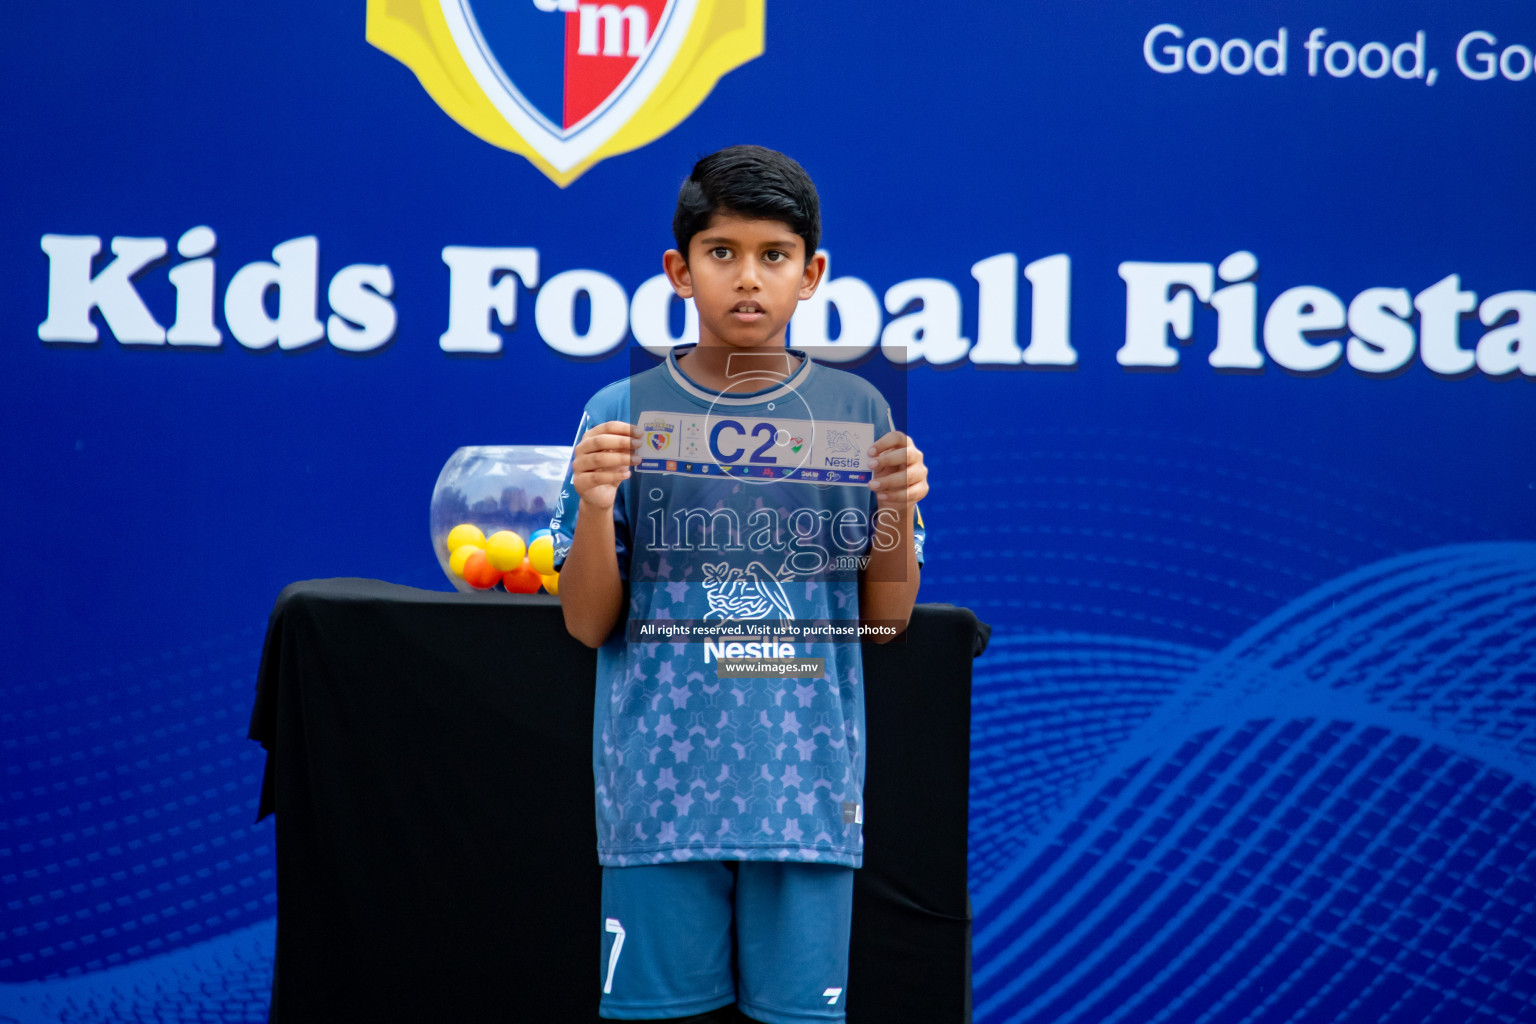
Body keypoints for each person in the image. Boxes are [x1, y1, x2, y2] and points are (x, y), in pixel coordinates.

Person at [550, 145, 928, 1024]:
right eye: (722, 253)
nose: (748, 279)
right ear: (680, 271)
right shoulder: (620, 411)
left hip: (807, 792)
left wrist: (896, 512)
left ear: (813, 273)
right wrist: (596, 504)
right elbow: (586, 623)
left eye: (774, 256)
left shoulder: (861, 415)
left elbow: (887, 621)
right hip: (657, 796)